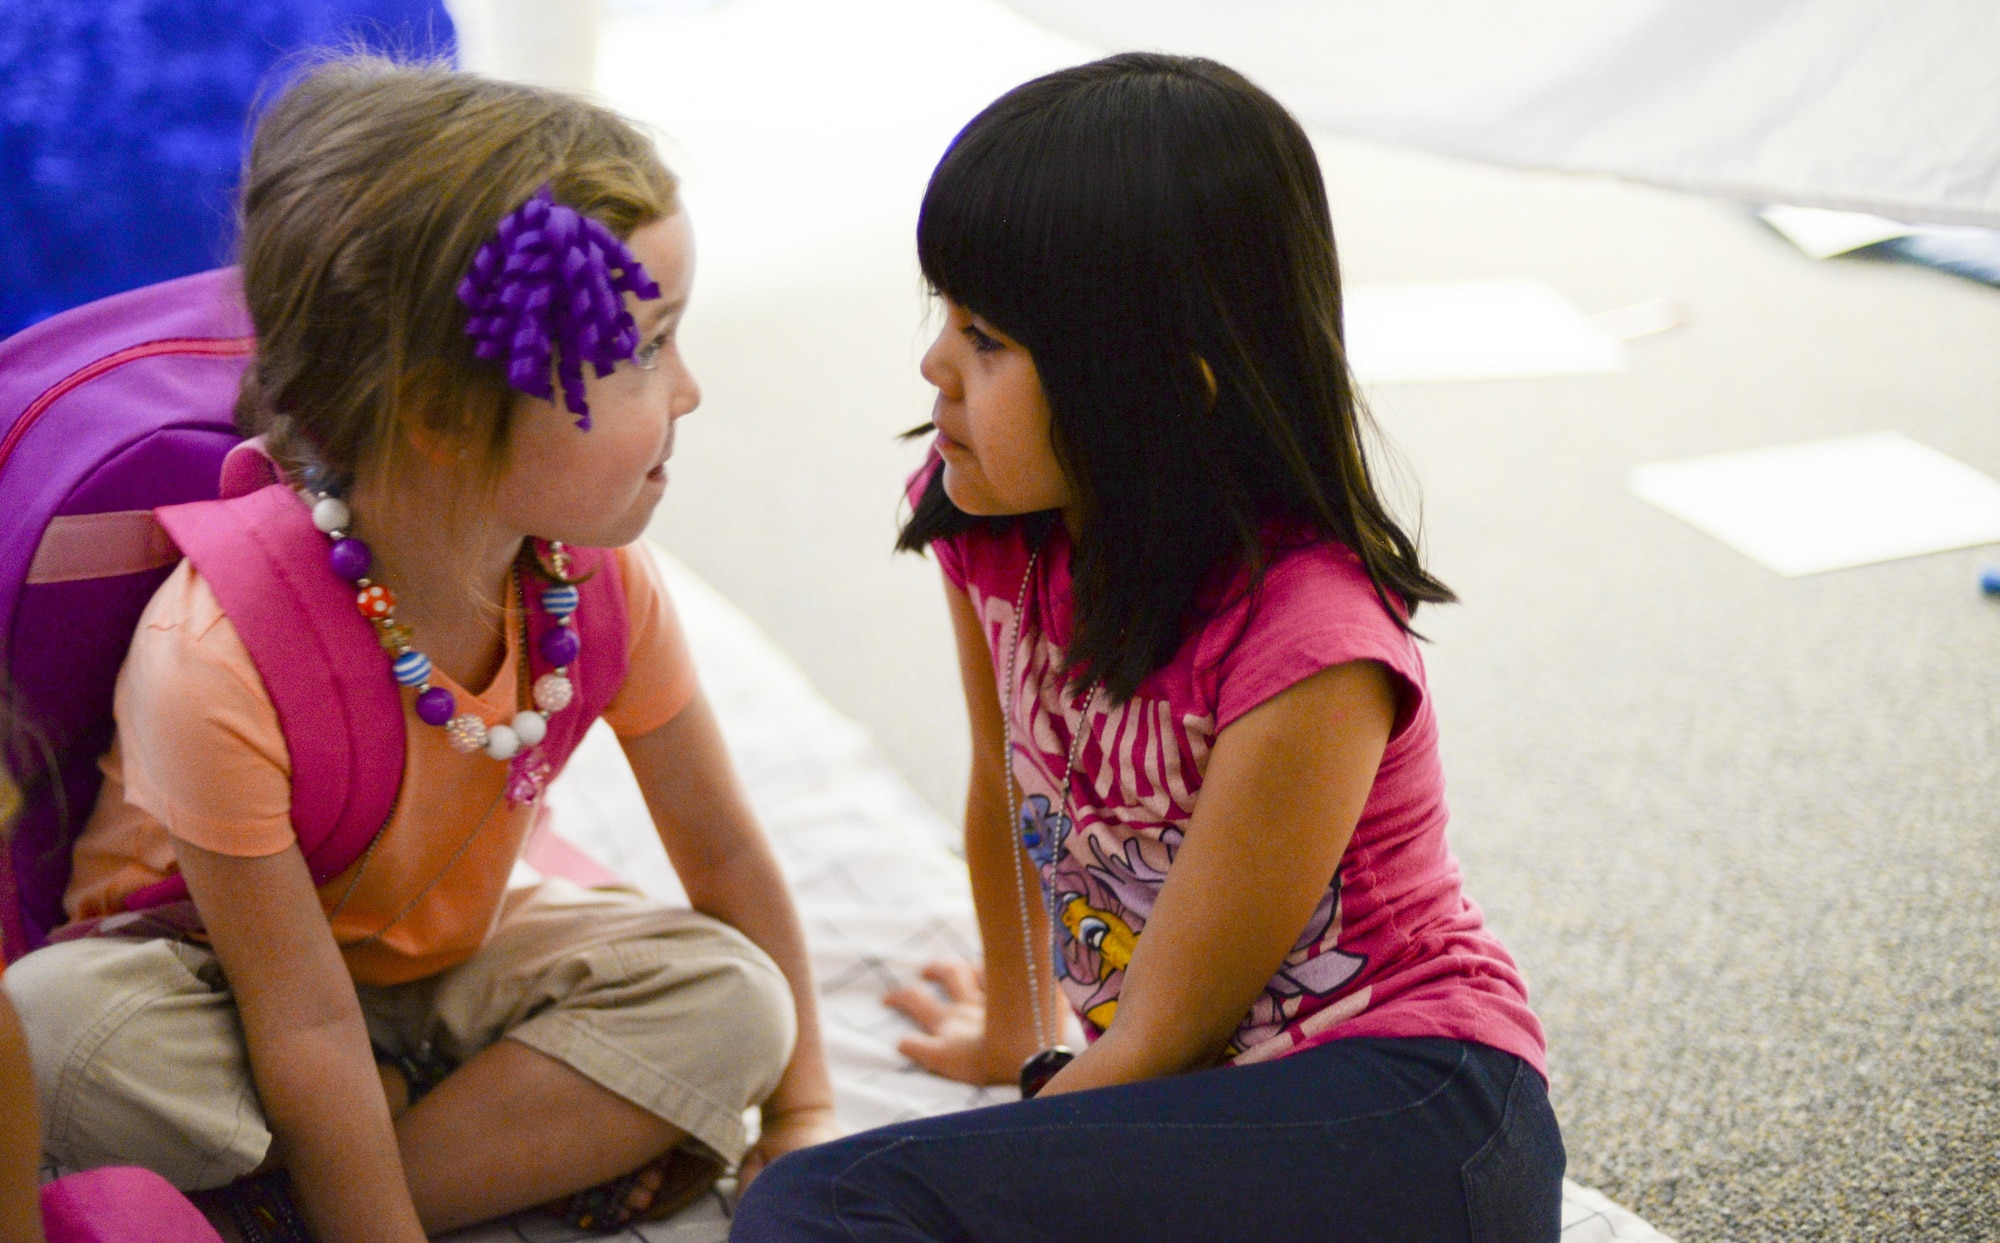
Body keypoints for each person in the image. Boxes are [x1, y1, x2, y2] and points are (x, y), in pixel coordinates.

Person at [1, 56, 837, 1243]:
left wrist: (800, 1113)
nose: (690, 391)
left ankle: (281, 1204)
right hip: (213, 986)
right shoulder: (213, 654)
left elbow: (728, 858)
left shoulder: (592, 584)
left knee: (732, 998)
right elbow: (300, 1022)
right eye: (641, 349)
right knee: (62, 1037)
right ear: (440, 413)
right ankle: (457, 1158)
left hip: (443, 976)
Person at [734, 53, 1563, 1242]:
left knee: (824, 1201)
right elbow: (1005, 783)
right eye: (943, 317)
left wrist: (1030, 1117)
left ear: (1165, 392)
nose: (933, 366)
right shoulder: (990, 527)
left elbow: (1170, 1028)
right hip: (1215, 1104)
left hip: (1410, 1112)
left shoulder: (1311, 646)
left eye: (984, 337)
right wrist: (1015, 1032)